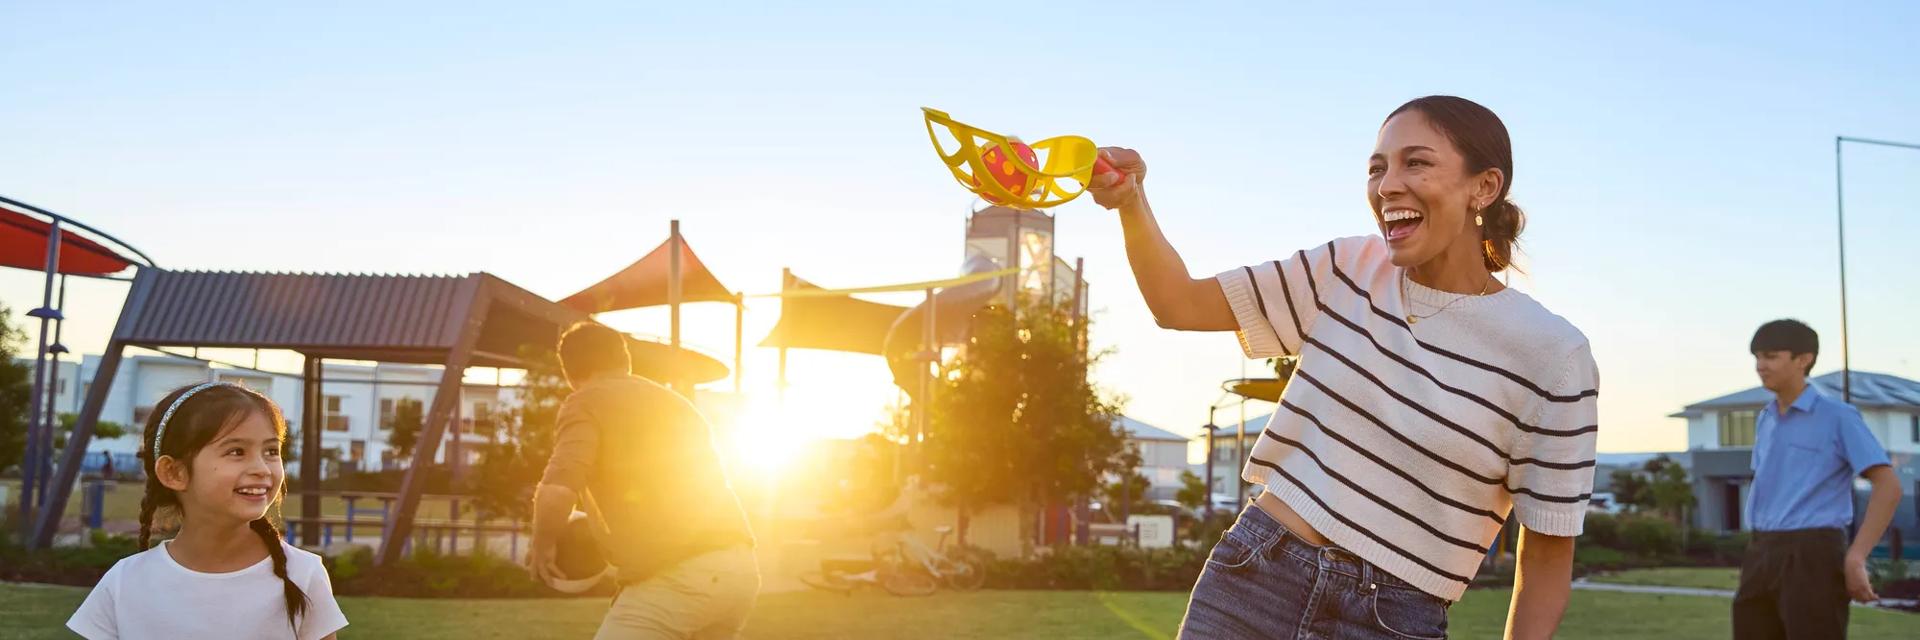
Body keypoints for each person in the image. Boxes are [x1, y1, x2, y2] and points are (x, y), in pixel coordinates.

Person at [1090, 95, 1599, 638]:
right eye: (1377, 169)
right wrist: (1131, 202)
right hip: (1254, 577)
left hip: (1392, 620)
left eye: (1416, 162)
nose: (1386, 186)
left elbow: (1545, 557)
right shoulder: (1348, 269)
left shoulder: (1554, 355)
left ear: (1485, 186)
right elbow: (1178, 304)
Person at [527, 322, 758, 639]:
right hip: (739, 571)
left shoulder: (586, 401)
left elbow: (558, 487)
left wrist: (542, 545)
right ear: (625, 359)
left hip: (678, 576)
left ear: (569, 372)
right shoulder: (679, 404)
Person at [68, 382, 348, 640]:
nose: (262, 469)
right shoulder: (124, 582)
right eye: (236, 451)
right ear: (174, 472)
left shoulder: (302, 574)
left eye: (271, 451)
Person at [1733, 319, 1902, 638]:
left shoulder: (1837, 416)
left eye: (1770, 356)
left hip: (1813, 552)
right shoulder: (1766, 418)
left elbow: (1888, 485)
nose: (1760, 366)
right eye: (1756, 357)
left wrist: (1856, 555)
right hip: (1761, 551)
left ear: (1803, 359)